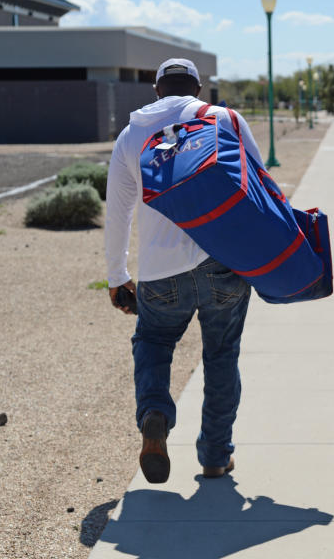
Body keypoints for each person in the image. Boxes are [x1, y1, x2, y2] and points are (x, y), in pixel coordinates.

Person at [105, 58, 262, 484]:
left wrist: (117, 275)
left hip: (159, 272)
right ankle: (215, 455)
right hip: (223, 263)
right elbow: (260, 184)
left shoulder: (130, 136)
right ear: (198, 89)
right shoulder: (224, 119)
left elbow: (118, 211)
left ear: (156, 90)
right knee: (221, 355)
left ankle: (155, 414)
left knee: (154, 342)